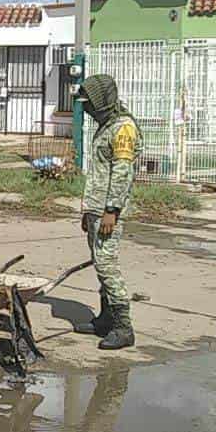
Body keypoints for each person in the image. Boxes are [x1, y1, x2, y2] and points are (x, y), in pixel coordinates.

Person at [73, 74, 141, 350]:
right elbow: (100, 173)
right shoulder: (106, 125)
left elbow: (121, 172)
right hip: (96, 209)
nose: (87, 110)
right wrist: (88, 211)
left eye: (90, 105)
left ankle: (124, 328)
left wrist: (111, 210)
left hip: (109, 211)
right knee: (100, 265)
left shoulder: (123, 128)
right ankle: (105, 319)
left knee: (107, 265)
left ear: (103, 102)